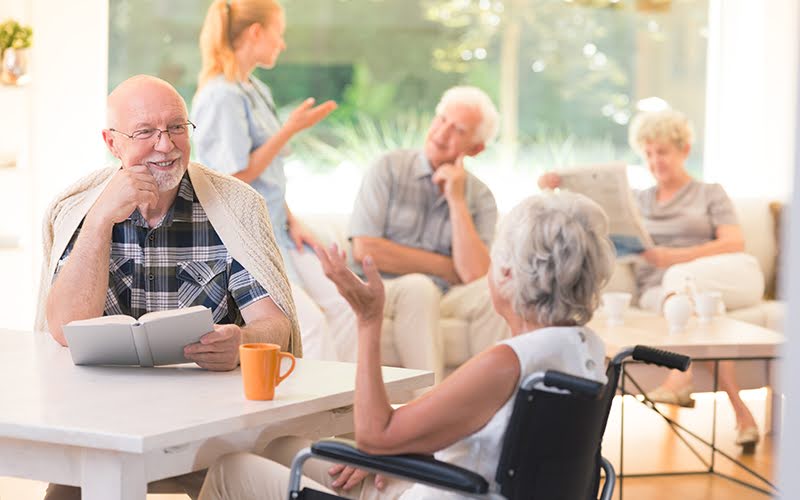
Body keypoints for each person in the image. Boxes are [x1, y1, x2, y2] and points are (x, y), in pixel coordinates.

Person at [196, 191, 615, 499]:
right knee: (281, 447)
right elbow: (504, 443)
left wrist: (368, 320)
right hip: (450, 483)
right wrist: (403, 450)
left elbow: (376, 437)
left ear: (506, 275)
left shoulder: (506, 364)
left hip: (442, 493)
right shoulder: (585, 351)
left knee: (230, 470)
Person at [36, 74, 301, 499]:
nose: (166, 144)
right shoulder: (79, 210)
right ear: (112, 143)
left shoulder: (235, 206)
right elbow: (64, 327)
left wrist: (242, 341)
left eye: (176, 127)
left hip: (209, 428)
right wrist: (102, 221)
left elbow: (276, 326)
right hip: (101, 420)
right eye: (145, 132)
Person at [538, 108, 764, 450]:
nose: (655, 160)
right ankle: (741, 412)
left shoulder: (709, 193)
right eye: (648, 153)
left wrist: (673, 258)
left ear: (684, 150)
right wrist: (556, 192)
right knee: (707, 315)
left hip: (720, 276)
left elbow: (734, 242)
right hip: (662, 292)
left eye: (663, 152)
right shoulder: (638, 201)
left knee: (681, 280)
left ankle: (681, 377)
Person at [191, 0, 348, 360]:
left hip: (279, 227)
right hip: (250, 236)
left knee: (345, 305)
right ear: (256, 32)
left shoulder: (255, 89)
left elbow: (269, 174)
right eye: (280, 33)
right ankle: (314, 408)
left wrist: (293, 220)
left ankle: (349, 404)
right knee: (308, 324)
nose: (282, 43)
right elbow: (232, 178)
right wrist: (290, 129)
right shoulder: (220, 96)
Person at [346, 86, 509, 383]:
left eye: (458, 129)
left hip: (445, 294)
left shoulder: (481, 197)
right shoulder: (389, 168)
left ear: (476, 148)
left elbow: (474, 274)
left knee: (496, 290)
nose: (441, 132)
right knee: (419, 288)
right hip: (385, 289)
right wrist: (446, 267)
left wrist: (457, 200)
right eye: (441, 118)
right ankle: (429, 409)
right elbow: (366, 250)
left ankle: (491, 407)